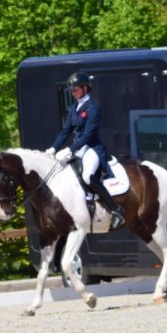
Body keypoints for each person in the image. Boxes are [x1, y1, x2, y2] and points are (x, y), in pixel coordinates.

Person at [46, 71, 124, 229]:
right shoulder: (75, 108)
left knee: (88, 176)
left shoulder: (92, 109)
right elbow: (66, 131)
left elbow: (88, 135)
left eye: (76, 89)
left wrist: (70, 148)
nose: (74, 93)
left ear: (85, 88)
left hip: (92, 148)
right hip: (78, 148)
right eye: (72, 91)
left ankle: (116, 209)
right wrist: (53, 148)